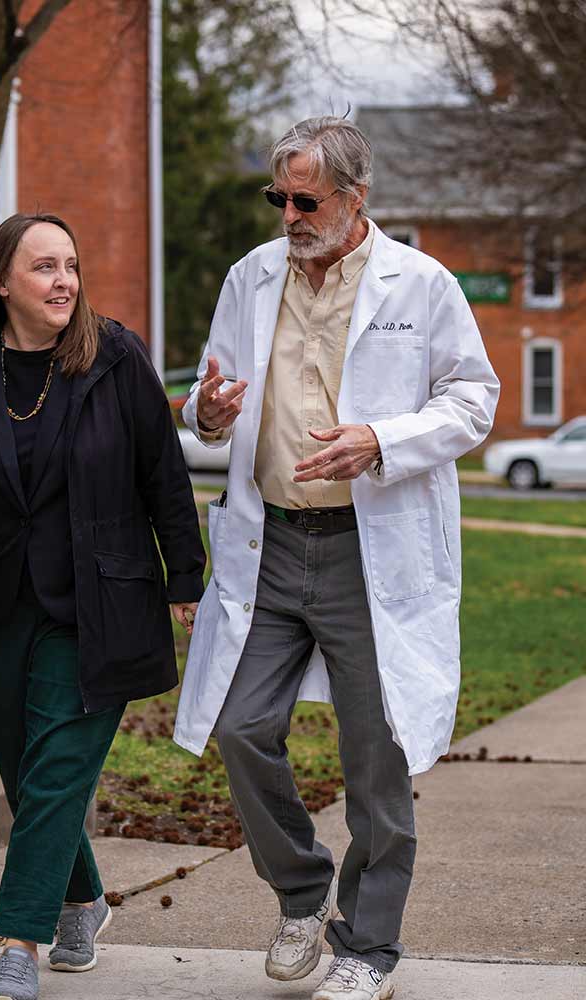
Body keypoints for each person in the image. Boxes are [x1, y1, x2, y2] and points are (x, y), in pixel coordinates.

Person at [173, 117, 499, 1000]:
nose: (288, 213)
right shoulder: (252, 276)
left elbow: (476, 399)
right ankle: (303, 893)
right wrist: (207, 413)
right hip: (271, 541)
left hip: (371, 550)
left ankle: (370, 949)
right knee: (241, 728)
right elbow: (213, 406)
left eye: (305, 198)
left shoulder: (421, 283)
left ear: (356, 198)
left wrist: (381, 441)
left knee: (375, 760)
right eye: (277, 195)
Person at [0, 213, 205, 1000]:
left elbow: (162, 473)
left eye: (70, 264)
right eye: (44, 268)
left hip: (96, 601)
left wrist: (186, 576)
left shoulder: (117, 358)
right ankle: (84, 900)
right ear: (1, 282)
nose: (65, 282)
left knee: (61, 767)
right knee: (23, 763)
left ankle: (17, 946)